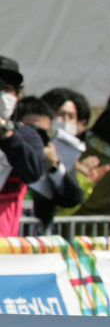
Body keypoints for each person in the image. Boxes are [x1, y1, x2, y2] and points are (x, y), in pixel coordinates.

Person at [13, 96, 84, 226]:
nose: (34, 137)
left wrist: (54, 167)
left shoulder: (57, 155)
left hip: (38, 238)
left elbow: (72, 199)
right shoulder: (6, 154)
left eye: (42, 132)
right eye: (29, 130)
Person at [0, 57, 49, 234]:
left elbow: (34, 172)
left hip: (6, 246)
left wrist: (7, 135)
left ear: (18, 95)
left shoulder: (25, 135)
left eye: (6, 89)